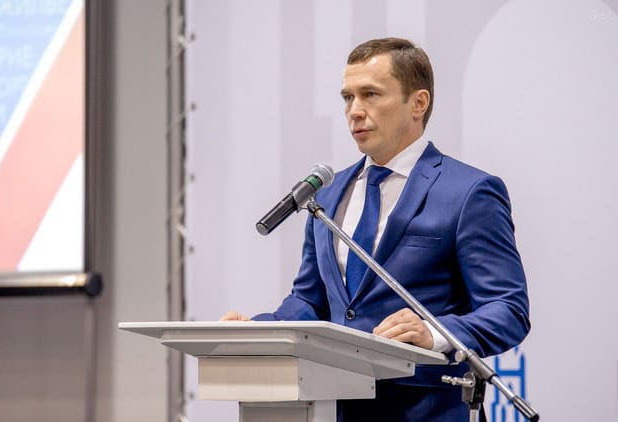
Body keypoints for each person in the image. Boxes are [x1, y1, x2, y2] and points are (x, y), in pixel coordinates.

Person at [221, 37, 530, 421]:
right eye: (347, 98)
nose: (354, 111)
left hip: (428, 411)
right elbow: (310, 302)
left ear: (418, 103)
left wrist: (433, 333)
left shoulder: (469, 192)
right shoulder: (327, 194)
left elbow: (508, 310)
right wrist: (260, 330)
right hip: (335, 406)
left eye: (370, 94)